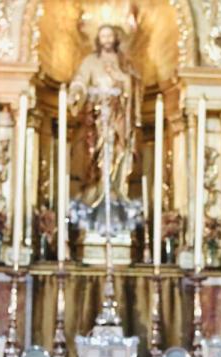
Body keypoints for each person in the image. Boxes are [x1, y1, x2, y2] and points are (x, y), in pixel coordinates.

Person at [67, 24, 143, 237]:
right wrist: (76, 94)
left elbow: (134, 85)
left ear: (116, 38)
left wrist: (121, 78)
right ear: (98, 40)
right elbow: (80, 82)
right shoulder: (90, 62)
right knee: (96, 157)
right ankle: (97, 191)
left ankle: (117, 191)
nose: (107, 39)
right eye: (103, 36)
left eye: (110, 35)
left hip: (120, 119)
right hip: (97, 119)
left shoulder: (125, 62)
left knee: (120, 153)